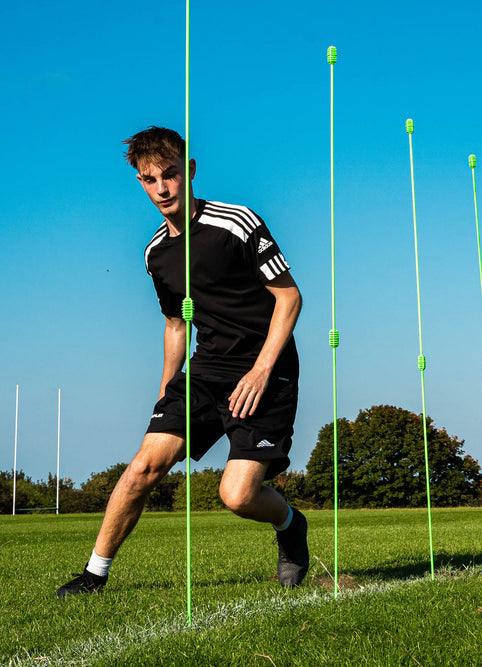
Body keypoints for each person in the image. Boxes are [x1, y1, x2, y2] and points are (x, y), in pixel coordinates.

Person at [57, 126, 307, 596]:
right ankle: (94, 576)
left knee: (236, 495)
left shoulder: (237, 224)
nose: (162, 188)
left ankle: (290, 524)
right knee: (143, 467)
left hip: (264, 371)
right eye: (150, 180)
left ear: (188, 171)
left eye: (170, 175)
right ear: (140, 182)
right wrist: (165, 392)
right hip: (205, 370)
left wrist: (260, 370)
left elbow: (289, 299)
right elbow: (176, 325)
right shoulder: (155, 254)